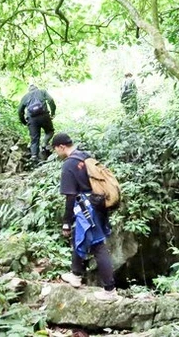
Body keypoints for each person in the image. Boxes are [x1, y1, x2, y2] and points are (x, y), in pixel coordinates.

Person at [51, 133, 121, 302]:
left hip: (86, 208)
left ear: (61, 147)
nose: (56, 153)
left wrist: (66, 222)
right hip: (97, 205)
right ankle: (75, 275)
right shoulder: (85, 156)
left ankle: (110, 291)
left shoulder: (69, 164)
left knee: (97, 246)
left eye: (55, 150)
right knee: (79, 237)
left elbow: (70, 196)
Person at [18, 84, 56, 161]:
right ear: (36, 88)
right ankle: (44, 143)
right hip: (44, 116)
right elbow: (51, 100)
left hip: (32, 120)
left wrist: (24, 122)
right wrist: (52, 113)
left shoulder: (25, 97)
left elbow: (19, 111)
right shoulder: (42, 91)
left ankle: (34, 157)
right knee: (50, 131)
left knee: (34, 139)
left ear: (29, 90)